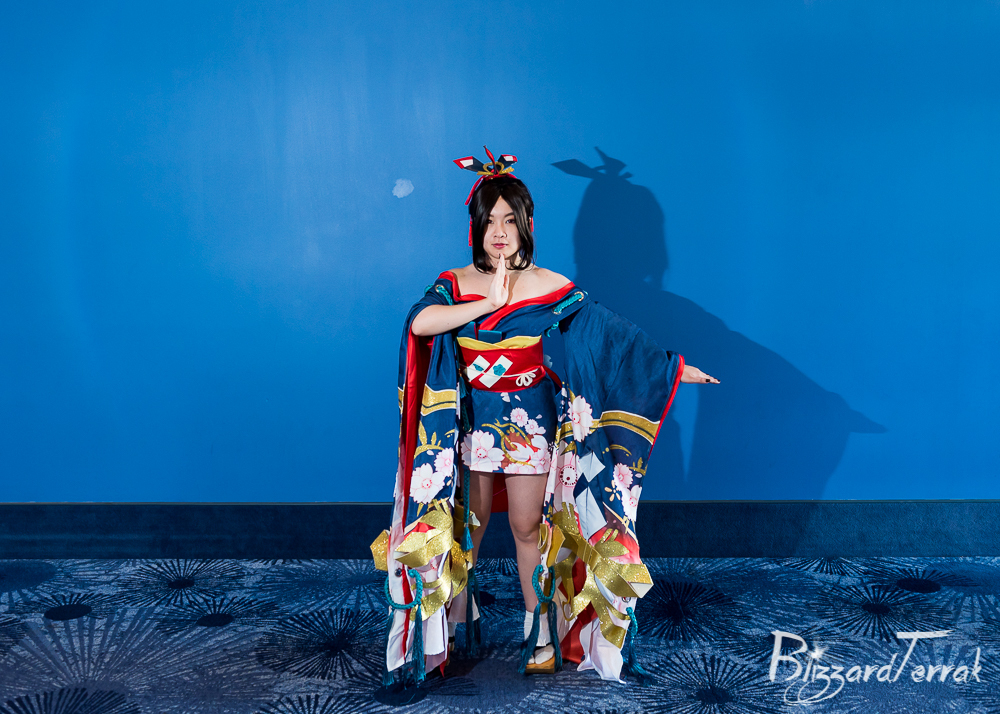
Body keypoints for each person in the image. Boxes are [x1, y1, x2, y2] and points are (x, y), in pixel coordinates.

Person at [371, 148, 718, 684]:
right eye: (490, 220)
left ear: (527, 224)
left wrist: (671, 369)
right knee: (466, 525)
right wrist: (486, 304)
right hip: (472, 423)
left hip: (529, 422)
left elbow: (610, 336)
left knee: (526, 525)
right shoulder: (456, 282)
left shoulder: (549, 284)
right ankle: (455, 622)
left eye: (510, 219)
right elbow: (419, 324)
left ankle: (539, 632)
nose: (499, 231)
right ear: (476, 226)